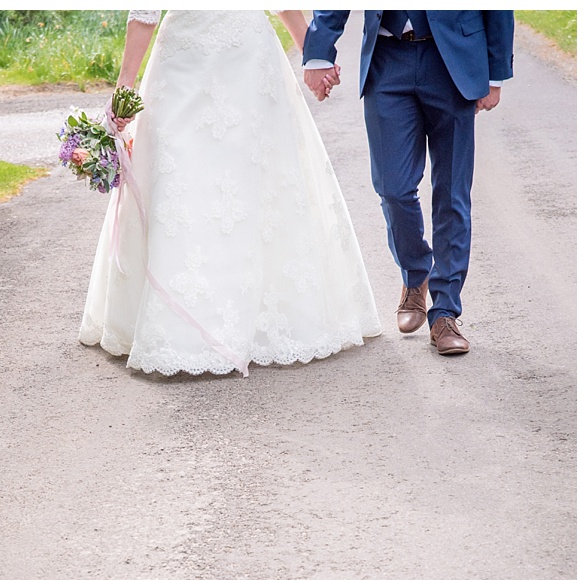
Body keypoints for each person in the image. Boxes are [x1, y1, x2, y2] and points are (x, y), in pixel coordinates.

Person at [79, 10, 381, 378]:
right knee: (181, 181)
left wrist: (313, 53)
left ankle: (252, 322)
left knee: (253, 182)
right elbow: (145, 10)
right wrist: (125, 86)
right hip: (185, 64)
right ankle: (185, 327)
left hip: (247, 64)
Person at [303, 10, 515, 355]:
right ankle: (416, 274)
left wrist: (496, 74)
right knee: (393, 189)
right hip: (387, 61)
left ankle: (444, 312)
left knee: (452, 193)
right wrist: (319, 51)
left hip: (454, 62)